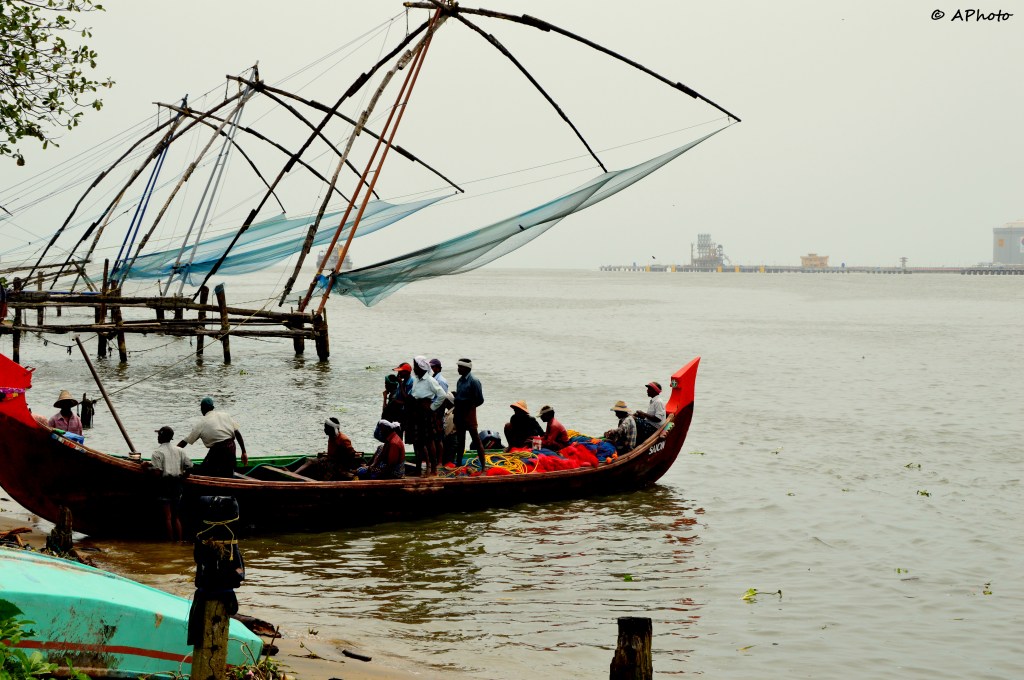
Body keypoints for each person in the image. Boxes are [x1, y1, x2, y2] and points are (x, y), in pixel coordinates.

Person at [178, 396, 247, 478]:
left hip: (217, 452)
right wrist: (243, 452)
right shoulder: (225, 415)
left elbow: (185, 442)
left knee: (204, 471)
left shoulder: (201, 423)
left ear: (202, 409)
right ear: (213, 407)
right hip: (231, 449)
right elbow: (237, 433)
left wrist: (173, 450)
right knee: (228, 472)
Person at [147, 425, 192, 541]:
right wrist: (183, 477)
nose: (157, 437)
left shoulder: (157, 452)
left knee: (168, 517)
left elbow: (157, 472)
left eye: (158, 435)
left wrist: (147, 467)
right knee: (176, 517)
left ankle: (171, 542)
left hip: (165, 485)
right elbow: (190, 467)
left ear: (161, 437)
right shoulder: (180, 451)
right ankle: (180, 541)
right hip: (177, 485)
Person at [410, 356, 446, 476]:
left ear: (421, 367)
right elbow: (414, 394)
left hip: (426, 412)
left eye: (415, 366)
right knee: (418, 441)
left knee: (429, 441)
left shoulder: (430, 380)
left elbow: (442, 395)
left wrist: (432, 407)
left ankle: (434, 469)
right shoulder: (415, 379)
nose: (414, 368)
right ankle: (419, 468)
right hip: (416, 410)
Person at [454, 358, 486, 469]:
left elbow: (480, 400)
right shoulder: (460, 381)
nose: (458, 369)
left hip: (469, 413)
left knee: (476, 439)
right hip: (459, 413)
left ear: (467, 368)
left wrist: (470, 408)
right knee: (460, 441)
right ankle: (458, 464)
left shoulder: (474, 381)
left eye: (460, 367)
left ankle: (483, 466)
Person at [383, 362, 414, 442]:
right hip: (399, 414)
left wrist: (400, 384)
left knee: (398, 436)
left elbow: (407, 400)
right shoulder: (403, 382)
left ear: (406, 372)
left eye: (400, 371)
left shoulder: (411, 382)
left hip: (405, 414)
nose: (399, 373)